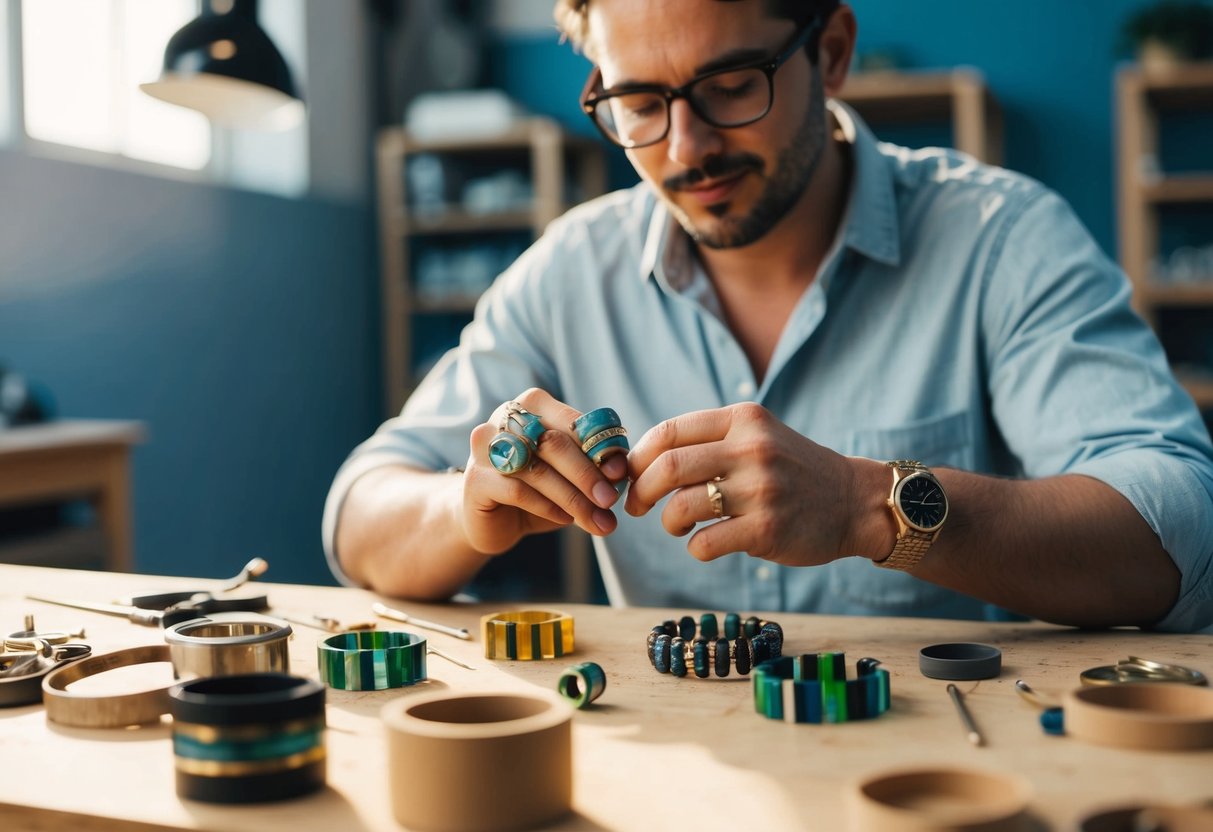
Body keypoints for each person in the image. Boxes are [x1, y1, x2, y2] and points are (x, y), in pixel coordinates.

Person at [323, 0, 1213, 632]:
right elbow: (359, 513)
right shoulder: (568, 269)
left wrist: (872, 507)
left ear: (829, 50)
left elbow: (1178, 534)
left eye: (730, 83)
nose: (686, 147)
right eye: (639, 102)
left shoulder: (1000, 239)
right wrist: (467, 510)